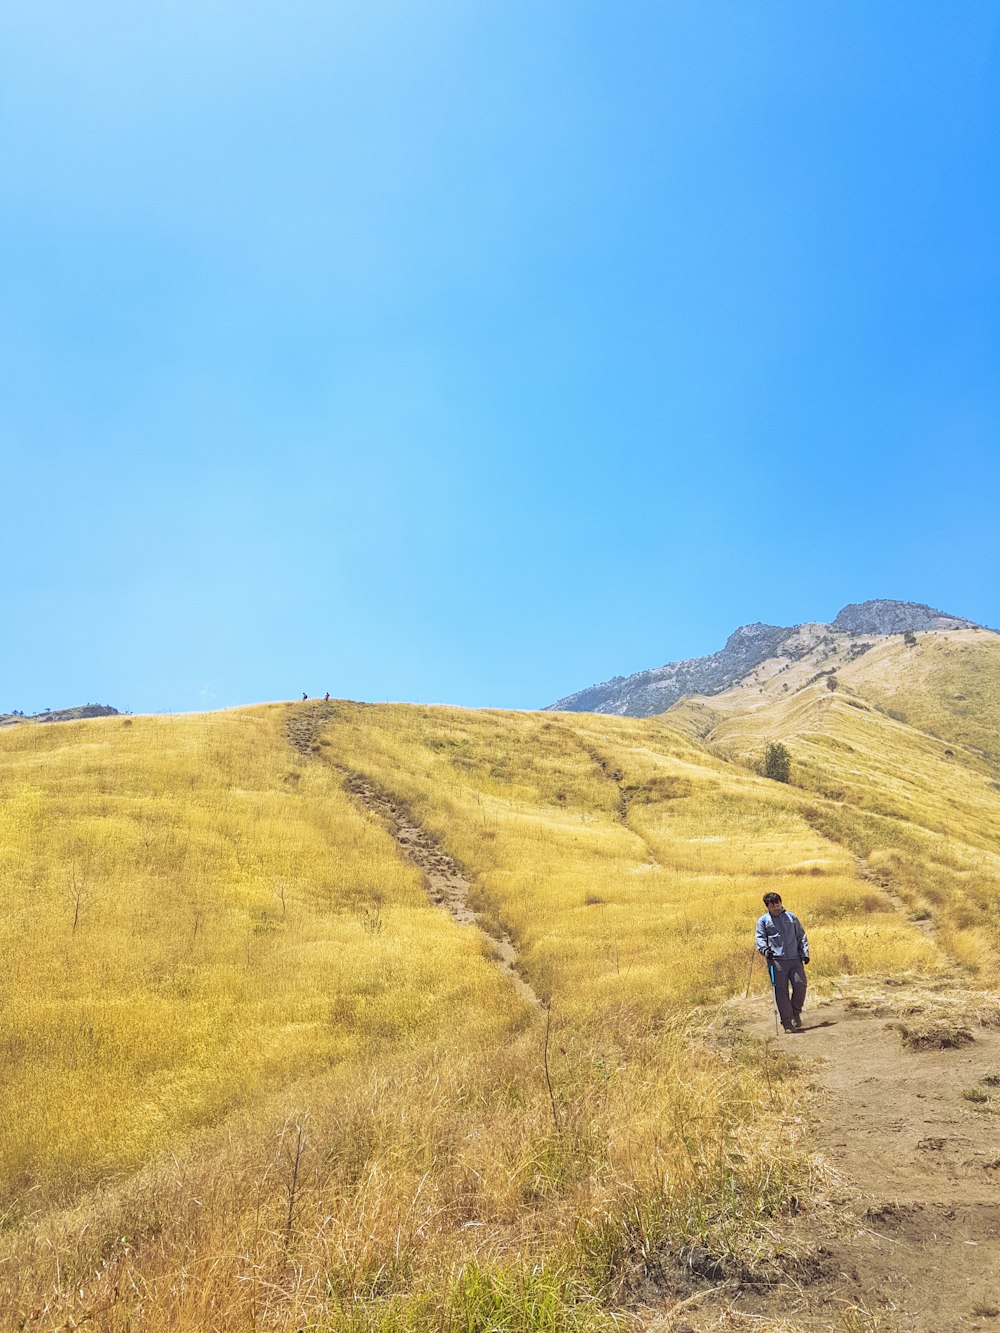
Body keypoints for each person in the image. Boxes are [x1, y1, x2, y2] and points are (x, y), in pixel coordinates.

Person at [755, 892, 810, 1033]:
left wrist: (805, 953)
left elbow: (801, 935)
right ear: (767, 906)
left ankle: (795, 1012)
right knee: (781, 991)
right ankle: (787, 1022)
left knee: (800, 984)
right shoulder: (763, 921)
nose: (776, 908)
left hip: (795, 959)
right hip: (776, 961)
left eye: (778, 904)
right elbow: (760, 938)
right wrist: (765, 950)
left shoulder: (791, 918)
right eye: (773, 906)